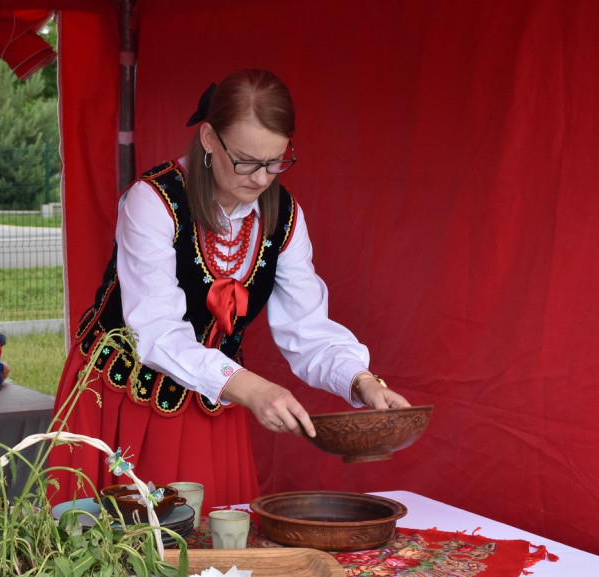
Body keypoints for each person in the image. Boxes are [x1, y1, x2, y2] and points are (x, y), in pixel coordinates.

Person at [50, 69, 410, 508]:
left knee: (210, 556)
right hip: (122, 400)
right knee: (114, 547)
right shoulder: (152, 201)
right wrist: (252, 389)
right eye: (245, 160)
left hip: (214, 401)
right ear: (207, 138)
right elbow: (157, 331)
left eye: (276, 160)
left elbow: (306, 328)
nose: (261, 179)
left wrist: (362, 381)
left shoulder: (285, 218)